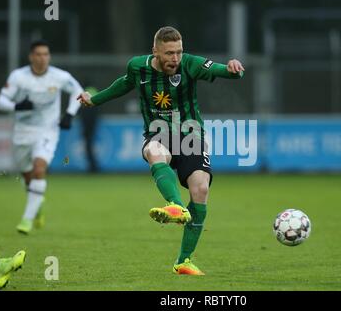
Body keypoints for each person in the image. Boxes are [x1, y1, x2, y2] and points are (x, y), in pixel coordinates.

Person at [78, 26, 244, 275]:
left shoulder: (190, 64)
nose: (175, 59)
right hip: (158, 132)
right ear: (155, 51)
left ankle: (183, 261)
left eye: (178, 52)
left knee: (201, 189)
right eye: (169, 53)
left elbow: (222, 71)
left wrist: (234, 70)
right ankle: (176, 206)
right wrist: (95, 99)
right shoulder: (137, 67)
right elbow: (123, 85)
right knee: (154, 151)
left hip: (190, 134)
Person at [0, 40, 83, 235]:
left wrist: (69, 113)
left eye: (46, 54)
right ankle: (37, 203)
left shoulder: (59, 76)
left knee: (39, 169)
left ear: (49, 56)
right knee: (28, 177)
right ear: (31, 57)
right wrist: (16, 106)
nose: (42, 58)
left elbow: (78, 91)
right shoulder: (19, 77)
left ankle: (26, 220)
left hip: (47, 130)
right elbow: (1, 101)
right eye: (38, 54)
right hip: (22, 132)